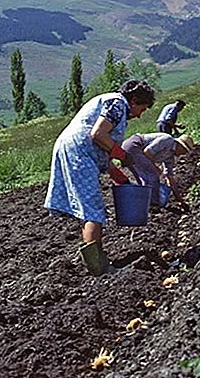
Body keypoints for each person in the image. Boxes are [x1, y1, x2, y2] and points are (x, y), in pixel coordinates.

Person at [44, 80, 155, 276]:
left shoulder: (112, 103)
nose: (139, 115)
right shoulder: (118, 104)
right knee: (93, 210)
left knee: (90, 209)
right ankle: (99, 267)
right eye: (142, 109)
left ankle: (95, 257)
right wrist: (123, 156)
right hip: (79, 153)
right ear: (135, 100)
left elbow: (104, 153)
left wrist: (122, 180)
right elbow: (98, 135)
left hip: (74, 150)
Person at [121, 133, 194, 210]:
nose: (183, 154)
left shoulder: (170, 157)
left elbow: (170, 178)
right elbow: (147, 152)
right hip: (133, 146)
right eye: (185, 151)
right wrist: (156, 168)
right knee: (153, 175)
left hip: (135, 150)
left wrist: (180, 200)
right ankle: (153, 205)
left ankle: (142, 205)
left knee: (142, 180)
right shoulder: (167, 140)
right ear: (181, 146)